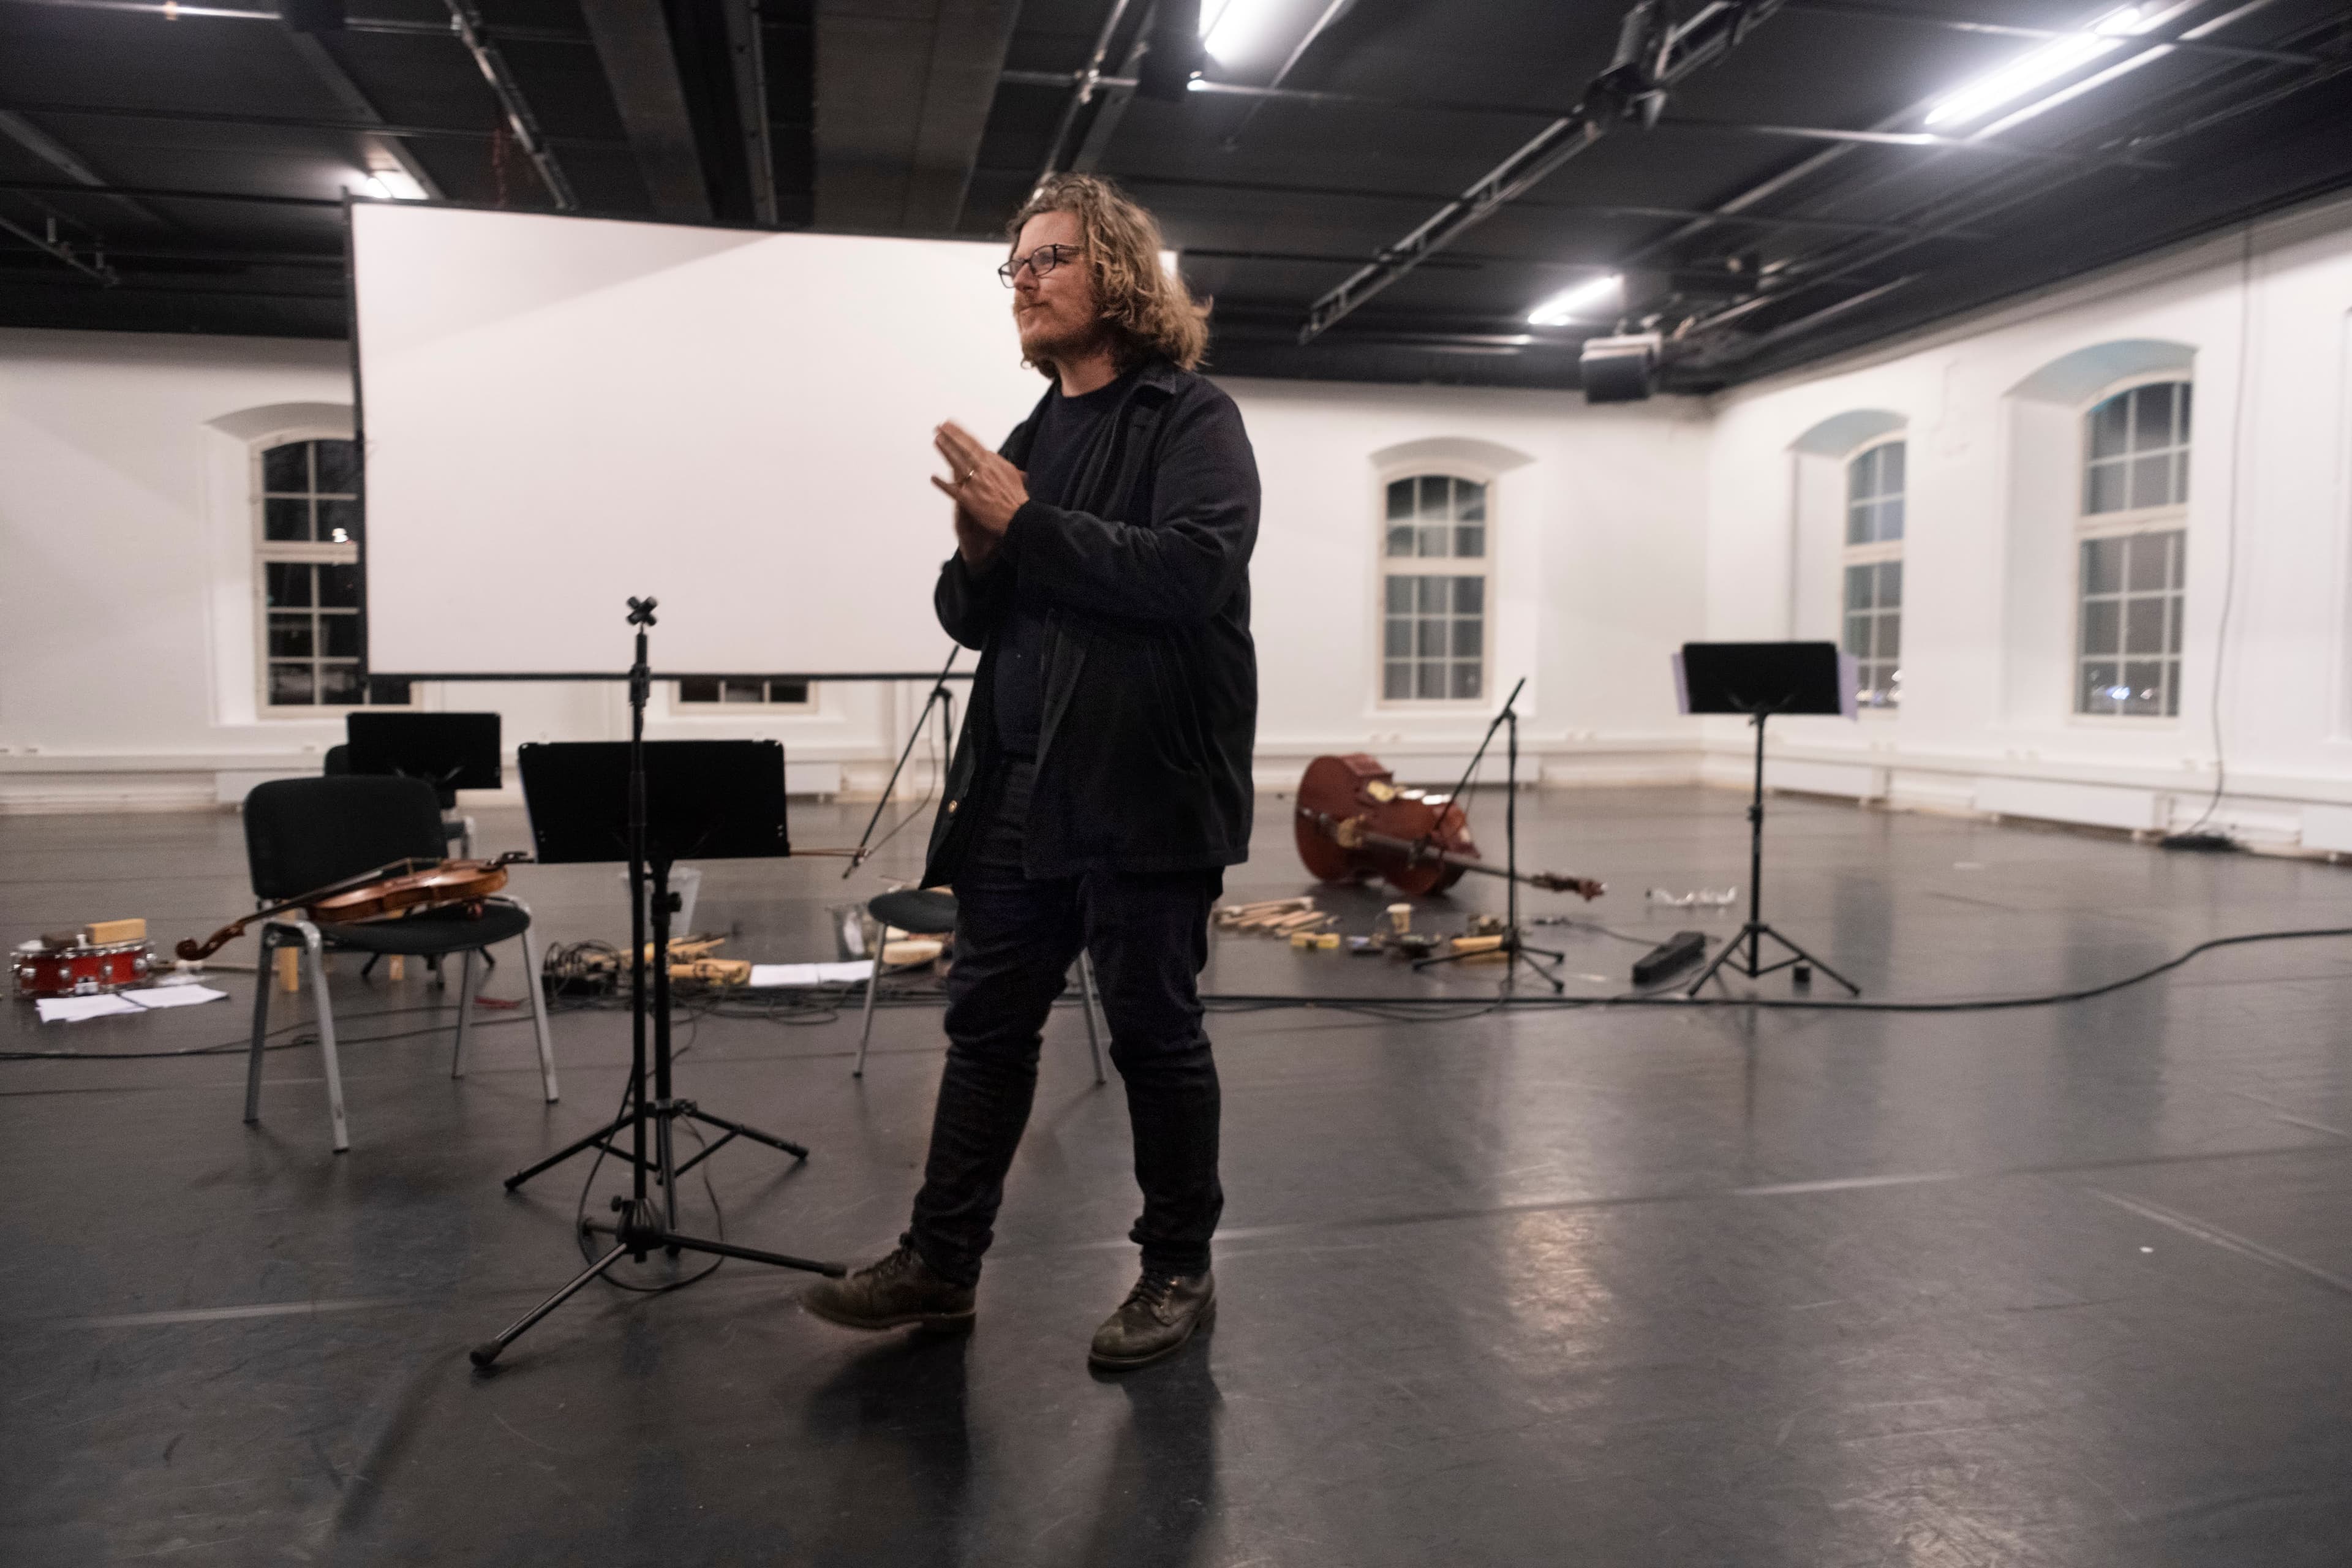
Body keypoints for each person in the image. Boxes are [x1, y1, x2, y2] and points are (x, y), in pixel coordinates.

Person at [802, 175, 1259, 1371]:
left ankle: (1177, 1268)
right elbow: (973, 619)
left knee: (1155, 1032)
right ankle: (942, 1263)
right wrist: (979, 549)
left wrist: (1030, 526)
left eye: (1050, 258)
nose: (1026, 281)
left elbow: (1190, 574)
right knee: (986, 1028)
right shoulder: (1029, 439)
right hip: (1017, 783)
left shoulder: (1188, 416)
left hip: (1146, 789)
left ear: (1114, 274)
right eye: (1015, 265)